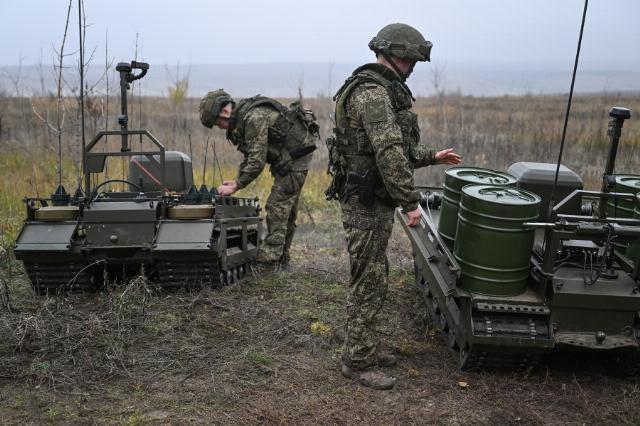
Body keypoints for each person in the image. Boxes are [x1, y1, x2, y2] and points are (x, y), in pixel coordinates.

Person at [326, 23, 462, 390]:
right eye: (412, 61)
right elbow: (388, 154)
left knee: (374, 276)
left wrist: (432, 156)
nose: (413, 67)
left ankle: (363, 347)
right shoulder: (372, 94)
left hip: (372, 200)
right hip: (366, 203)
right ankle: (357, 361)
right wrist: (410, 202)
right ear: (398, 56)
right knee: (368, 281)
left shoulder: (377, 89)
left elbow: (394, 149)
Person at [199, 90, 319, 268]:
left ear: (224, 112)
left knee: (277, 207)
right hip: (289, 157)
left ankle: (269, 262)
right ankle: (282, 259)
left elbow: (257, 161)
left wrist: (237, 185)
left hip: (297, 157)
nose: (220, 127)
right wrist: (236, 180)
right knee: (286, 209)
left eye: (218, 123)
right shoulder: (243, 119)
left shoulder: (254, 118)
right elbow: (251, 155)